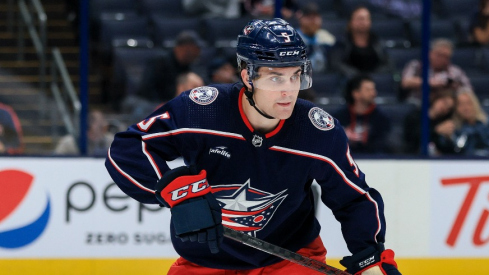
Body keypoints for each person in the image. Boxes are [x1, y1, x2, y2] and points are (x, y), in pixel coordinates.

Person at [105, 18, 401, 275]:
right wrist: (176, 192)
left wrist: (369, 258)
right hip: (205, 262)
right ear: (248, 76)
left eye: (295, 75)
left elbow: (354, 199)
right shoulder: (201, 110)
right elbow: (128, 148)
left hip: (290, 260)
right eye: (275, 77)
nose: (288, 91)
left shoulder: (317, 131)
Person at [121, 30, 203, 120]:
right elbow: (147, 89)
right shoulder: (159, 61)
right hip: (150, 102)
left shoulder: (190, 67)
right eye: (195, 48)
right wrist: (164, 104)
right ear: (183, 48)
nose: (198, 52)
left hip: (172, 103)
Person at [400, 38, 472, 105]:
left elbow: (468, 90)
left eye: (446, 57)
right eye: (440, 55)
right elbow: (405, 82)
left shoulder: (455, 71)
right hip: (418, 104)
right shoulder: (416, 66)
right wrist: (430, 83)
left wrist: (454, 87)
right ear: (430, 53)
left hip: (446, 107)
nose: (442, 59)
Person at [333, 74, 392, 154]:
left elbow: (384, 145)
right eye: (368, 90)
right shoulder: (338, 117)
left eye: (373, 89)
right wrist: (343, 136)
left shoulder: (381, 118)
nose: (373, 93)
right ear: (355, 93)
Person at [331, 6, 390, 77]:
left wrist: (373, 76)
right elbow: (336, 64)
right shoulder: (342, 42)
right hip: (349, 82)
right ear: (350, 22)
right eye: (360, 19)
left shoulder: (377, 42)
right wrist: (358, 77)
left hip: (374, 81)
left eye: (366, 19)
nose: (363, 22)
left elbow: (388, 64)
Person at [403, 89, 456, 155]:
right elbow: (413, 136)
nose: (444, 107)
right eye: (444, 102)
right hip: (413, 156)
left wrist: (449, 138)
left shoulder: (443, 123)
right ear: (437, 98)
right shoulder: (415, 116)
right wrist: (436, 130)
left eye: (448, 108)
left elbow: (449, 150)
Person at [438, 88, 489, 156]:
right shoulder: (452, 128)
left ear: (475, 104)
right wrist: (448, 137)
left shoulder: (486, 124)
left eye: (468, 103)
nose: (466, 108)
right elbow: (450, 151)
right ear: (456, 108)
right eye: (461, 104)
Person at [296, 2, 336, 73]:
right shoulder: (293, 37)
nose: (313, 21)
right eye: (309, 17)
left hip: (323, 76)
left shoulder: (326, 37)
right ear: (301, 19)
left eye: (315, 17)